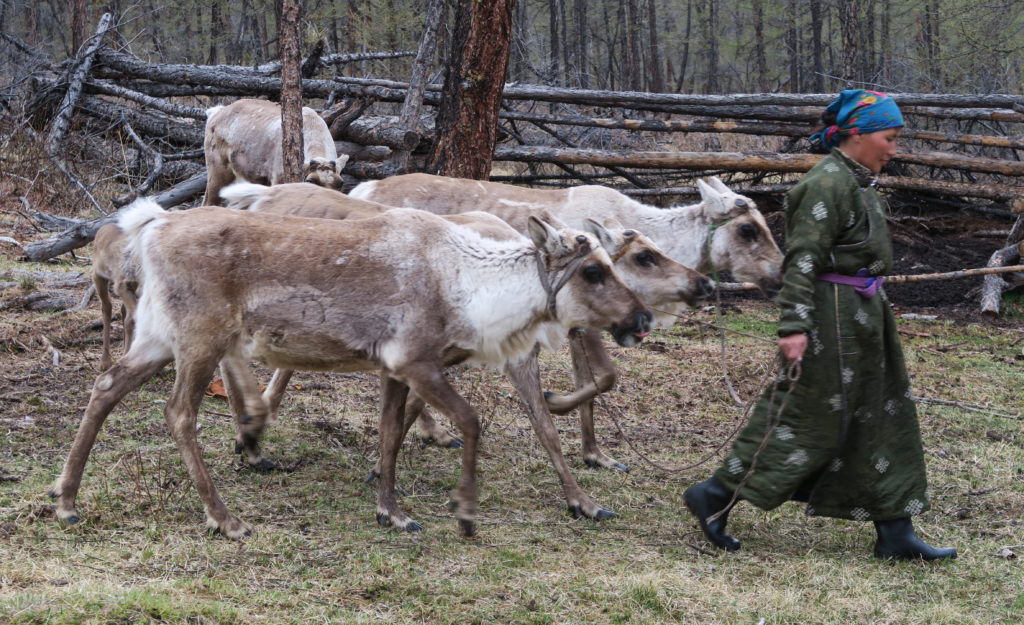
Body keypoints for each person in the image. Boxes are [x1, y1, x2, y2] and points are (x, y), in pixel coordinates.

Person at [684, 89, 956, 561]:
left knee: (879, 415)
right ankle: (715, 494)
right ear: (858, 133)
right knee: (808, 418)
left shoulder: (858, 183)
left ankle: (894, 529)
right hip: (829, 318)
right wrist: (794, 325)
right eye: (889, 138)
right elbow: (803, 260)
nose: (894, 149)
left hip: (864, 314)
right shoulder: (824, 185)